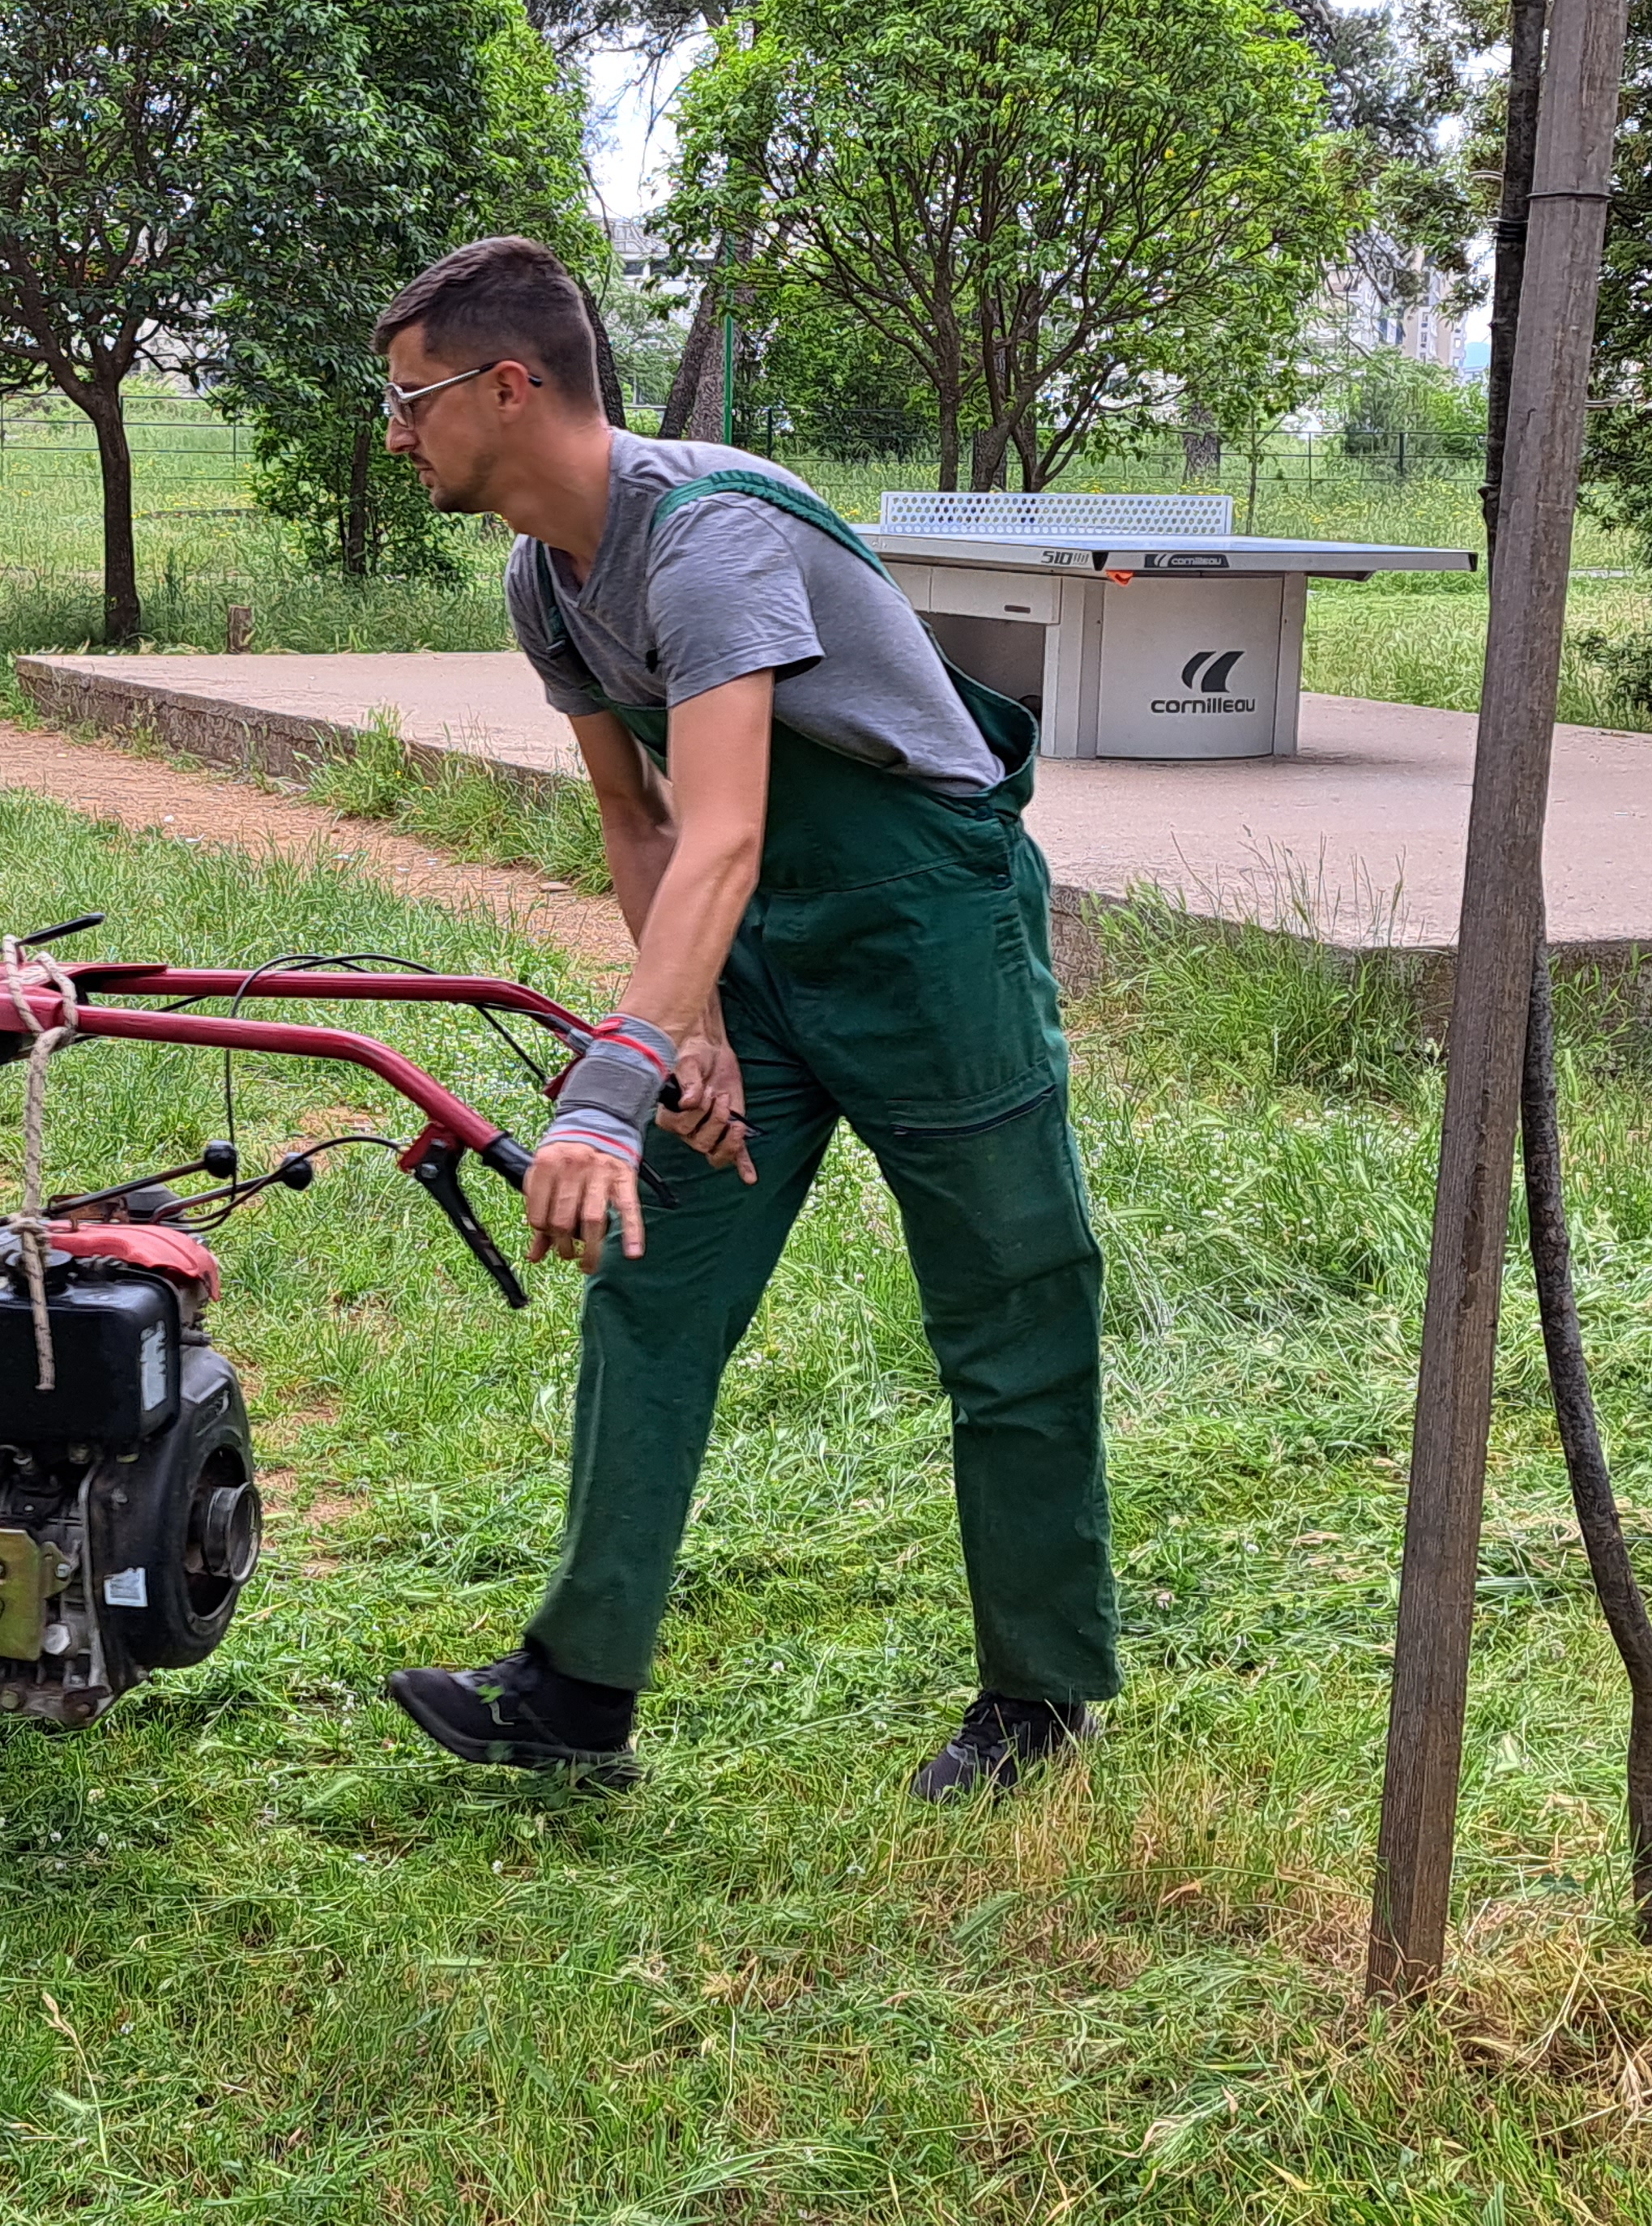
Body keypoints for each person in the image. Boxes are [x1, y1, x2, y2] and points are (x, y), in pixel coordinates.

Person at [372, 236, 1120, 1802]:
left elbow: (719, 825)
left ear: (508, 388)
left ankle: (1039, 1696)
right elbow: (640, 823)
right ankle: (575, 1688)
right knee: (654, 1275)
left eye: (411, 398)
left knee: (1006, 1295)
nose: (395, 432)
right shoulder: (542, 577)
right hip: (746, 928)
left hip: (925, 919)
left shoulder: (704, 540)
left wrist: (602, 1087)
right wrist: (687, 1027)